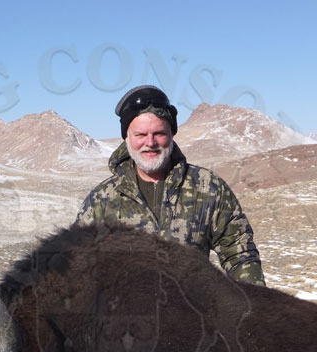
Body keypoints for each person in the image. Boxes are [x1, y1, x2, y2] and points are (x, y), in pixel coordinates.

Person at [77, 85, 265, 286]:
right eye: (140, 135)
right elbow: (78, 265)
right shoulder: (101, 199)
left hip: (194, 314)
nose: (150, 142)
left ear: (172, 134)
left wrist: (252, 308)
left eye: (159, 133)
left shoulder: (208, 187)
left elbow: (239, 252)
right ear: (127, 138)